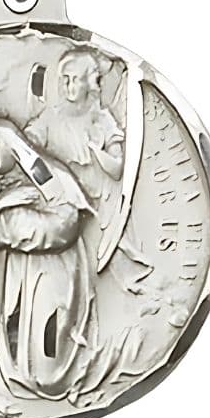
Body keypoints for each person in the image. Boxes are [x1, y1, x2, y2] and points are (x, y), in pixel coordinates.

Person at [0, 118, 94, 400]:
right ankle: (26, 384)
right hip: (21, 271)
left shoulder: (43, 173)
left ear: (11, 144)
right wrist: (2, 203)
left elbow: (66, 223)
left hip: (54, 269)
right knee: (19, 332)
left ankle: (56, 381)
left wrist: (19, 224)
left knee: (50, 336)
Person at [26, 49, 152, 292]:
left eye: (75, 79)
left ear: (90, 83)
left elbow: (117, 169)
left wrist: (96, 150)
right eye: (65, 79)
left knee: (100, 265)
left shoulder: (102, 120)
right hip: (61, 206)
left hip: (96, 207)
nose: (68, 86)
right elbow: (29, 143)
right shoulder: (51, 117)